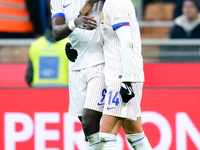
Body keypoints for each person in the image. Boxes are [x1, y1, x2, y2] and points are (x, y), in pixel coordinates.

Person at [80, 0, 152, 149]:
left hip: (122, 77)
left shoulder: (115, 3)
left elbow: (127, 42)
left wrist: (126, 80)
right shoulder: (108, 4)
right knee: (135, 133)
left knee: (106, 135)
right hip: (117, 75)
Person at [50, 0, 105, 149]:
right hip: (76, 65)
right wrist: (75, 22)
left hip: (99, 62)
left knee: (89, 122)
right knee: (88, 130)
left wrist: (86, 5)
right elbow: (56, 32)